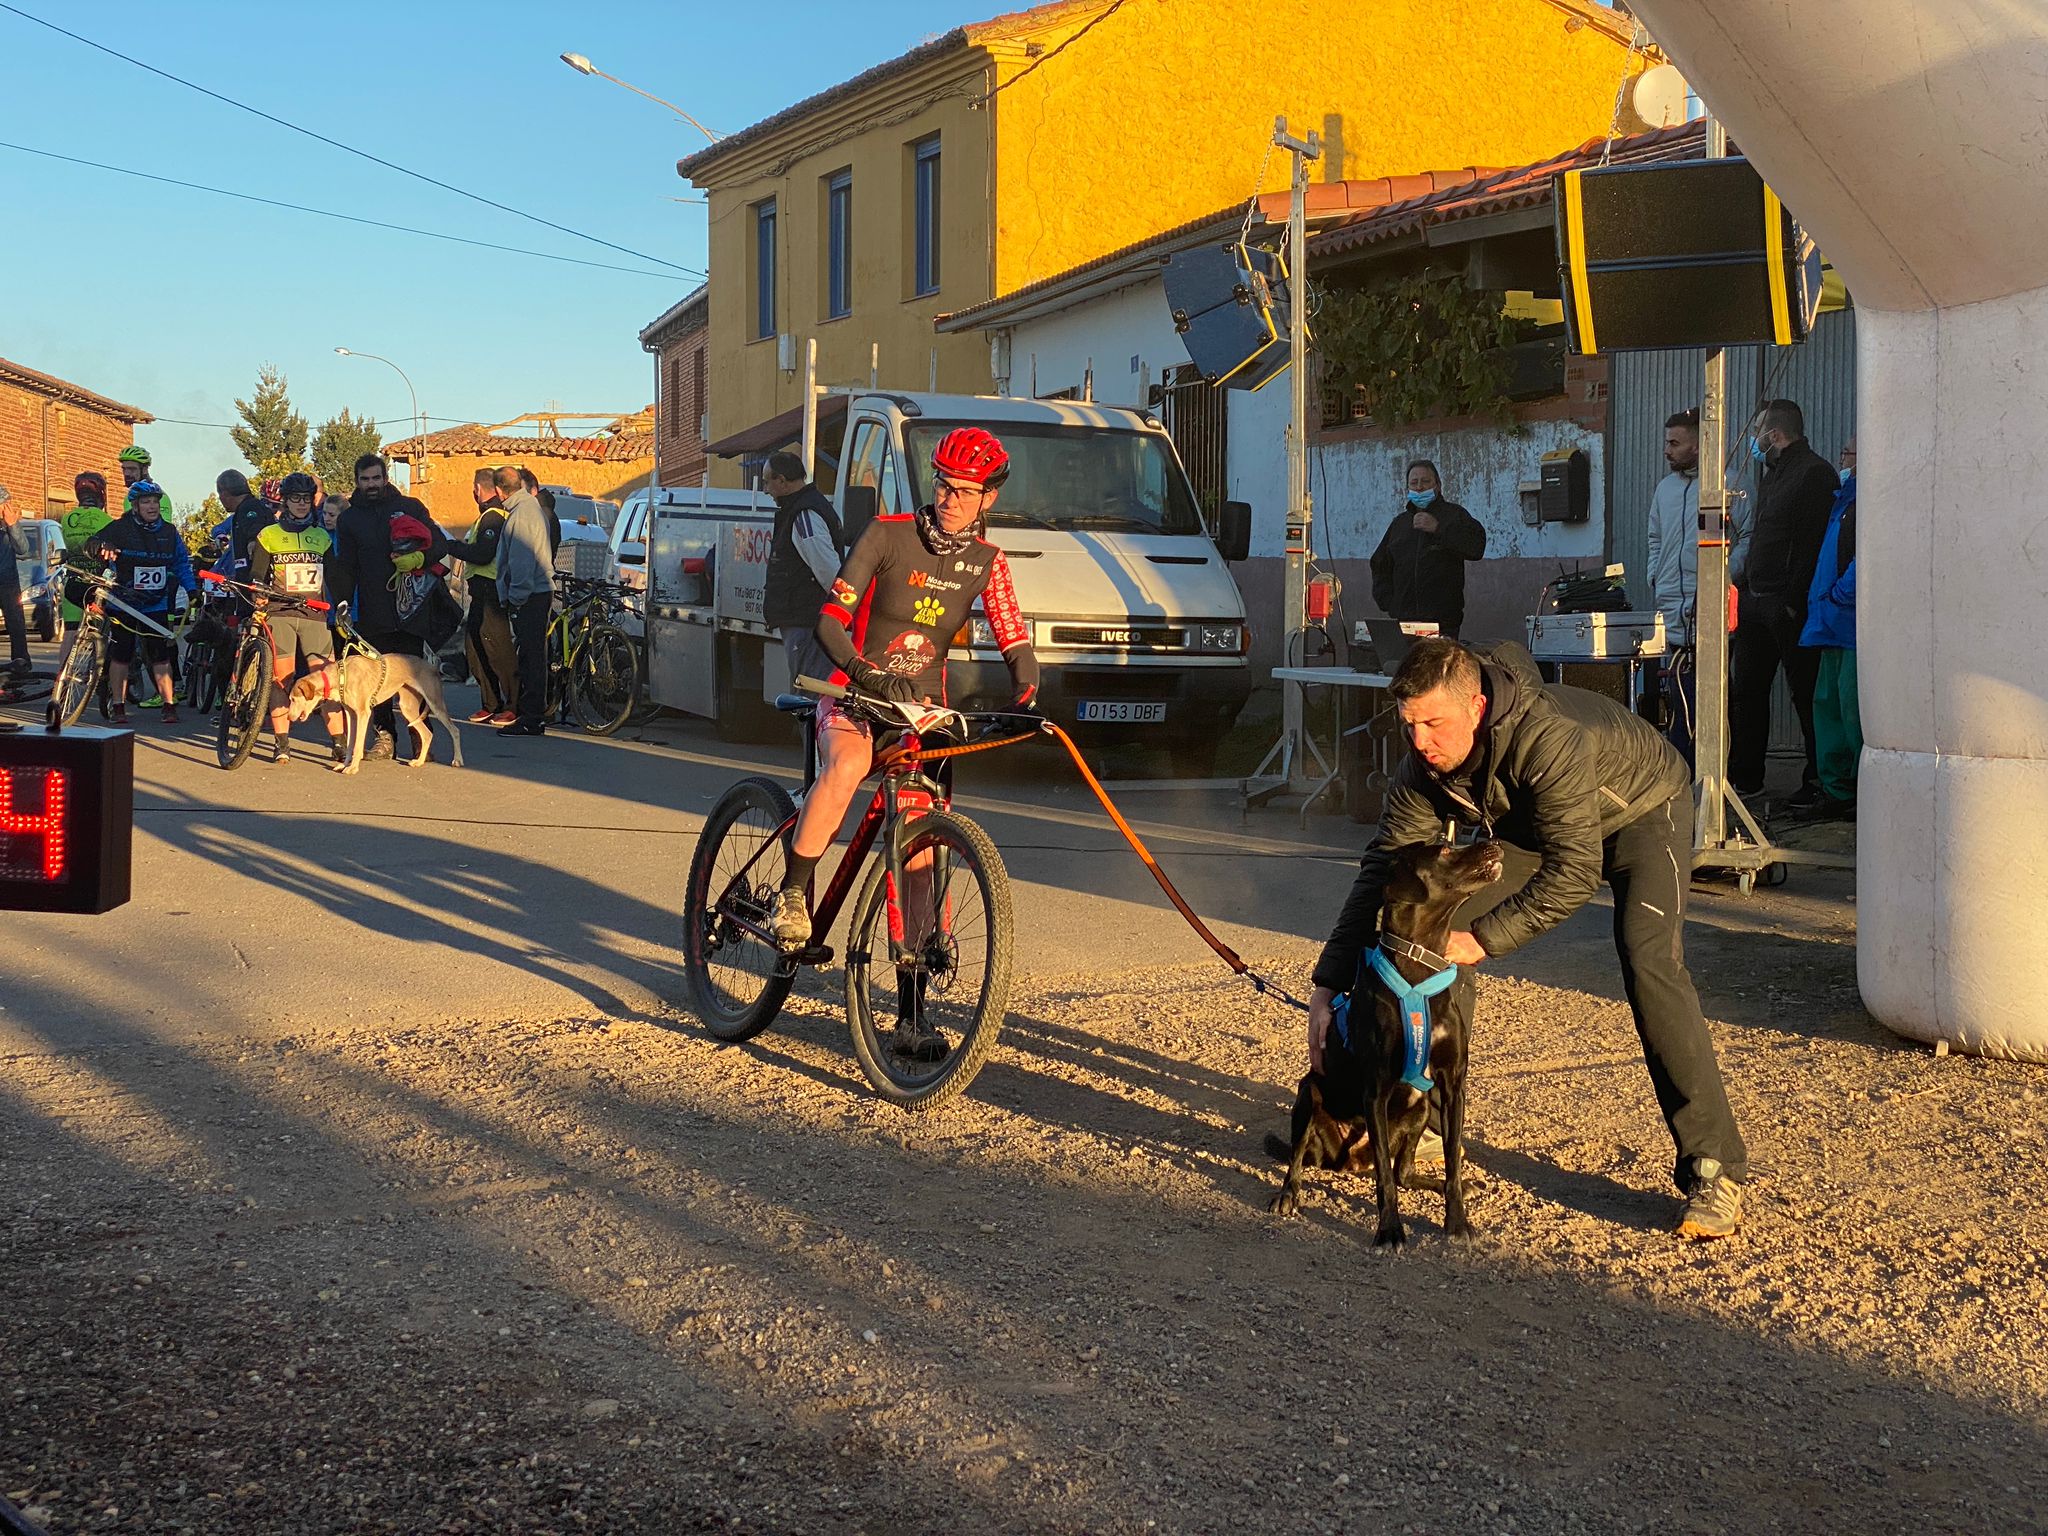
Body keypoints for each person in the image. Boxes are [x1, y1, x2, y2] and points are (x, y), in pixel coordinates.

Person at [1307, 637, 1749, 1240]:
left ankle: (1713, 1167)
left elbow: (1573, 872)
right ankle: (1426, 1119)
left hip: (1641, 808)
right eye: (1409, 725)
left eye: (1434, 724)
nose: (1419, 742)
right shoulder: (1422, 764)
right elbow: (1387, 872)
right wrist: (1329, 984)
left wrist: (1483, 938)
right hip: (1535, 823)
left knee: (1649, 961)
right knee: (1435, 943)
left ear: (1477, 707)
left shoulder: (1549, 738)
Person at [768, 427, 1040, 959]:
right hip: (853, 688)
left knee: (917, 854)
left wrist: (1026, 695)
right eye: (942, 485)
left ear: (989, 496)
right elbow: (829, 621)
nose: (949, 500)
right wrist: (867, 675)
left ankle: (912, 1015)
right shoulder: (886, 535)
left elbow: (1013, 636)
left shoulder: (988, 560)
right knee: (846, 767)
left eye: (964, 491)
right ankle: (793, 893)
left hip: (920, 708)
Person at [1728, 398, 1837, 810]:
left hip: (1788, 605)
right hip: (1757, 601)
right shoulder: (1773, 474)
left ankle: (1818, 779)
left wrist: (1793, 601)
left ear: (1774, 435)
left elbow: (1812, 545)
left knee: (1805, 693)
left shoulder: (1814, 473)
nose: (1755, 442)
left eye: (1758, 433)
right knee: (1747, 691)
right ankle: (1746, 777)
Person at [1643, 409, 1752, 764]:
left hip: (1712, 608)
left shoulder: (1730, 485)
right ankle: (1682, 769)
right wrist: (1654, 573)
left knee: (1715, 693)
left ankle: (1722, 770)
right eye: (1666, 442)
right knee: (1677, 695)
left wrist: (1721, 577)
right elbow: (1655, 537)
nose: (1667, 450)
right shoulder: (1665, 489)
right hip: (1673, 608)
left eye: (1675, 443)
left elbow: (1748, 538)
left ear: (1697, 445)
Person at [329, 453, 447, 761]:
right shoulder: (349, 519)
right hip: (372, 608)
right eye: (365, 479)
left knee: (415, 676)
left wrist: (422, 558)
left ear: (386, 478)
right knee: (375, 677)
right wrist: (342, 603)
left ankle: (420, 737)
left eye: (376, 478)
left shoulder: (410, 507)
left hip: (411, 606)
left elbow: (439, 543)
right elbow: (346, 566)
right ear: (357, 482)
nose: (371, 485)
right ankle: (385, 737)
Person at [247, 472, 347, 766]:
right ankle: (281, 743)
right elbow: (256, 573)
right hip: (280, 613)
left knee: (327, 681)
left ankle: (339, 744)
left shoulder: (321, 538)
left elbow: (335, 576)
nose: (301, 505)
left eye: (306, 499)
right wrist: (259, 591)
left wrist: (341, 605)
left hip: (315, 614)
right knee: (282, 679)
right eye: (295, 499)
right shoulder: (269, 535)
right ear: (285, 501)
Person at [90, 479, 194, 724]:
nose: (152, 506)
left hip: (155, 603)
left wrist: (192, 589)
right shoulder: (120, 527)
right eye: (146, 502)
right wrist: (102, 546)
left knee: (160, 655)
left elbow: (180, 563)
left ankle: (169, 705)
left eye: (155, 502)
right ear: (135, 506)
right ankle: (118, 706)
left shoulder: (169, 532)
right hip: (124, 602)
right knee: (121, 654)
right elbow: (92, 543)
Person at [1792, 437, 1858, 821]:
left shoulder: (1866, 499)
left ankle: (1860, 790)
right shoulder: (1843, 498)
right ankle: (1838, 791)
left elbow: (1864, 555)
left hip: (1847, 622)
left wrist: (1840, 595)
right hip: (1830, 621)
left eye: (1847, 454)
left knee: (1852, 712)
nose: (1841, 460)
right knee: (1828, 709)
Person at [1368, 460, 1487, 640]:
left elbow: (1476, 548)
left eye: (1425, 481)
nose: (1419, 487)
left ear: (1437, 485)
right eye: (1414, 483)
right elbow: (1379, 564)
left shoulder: (1454, 515)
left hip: (1443, 623)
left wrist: (1439, 529)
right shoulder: (1400, 523)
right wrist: (1390, 603)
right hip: (1404, 622)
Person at [761, 450, 845, 688]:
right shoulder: (805, 508)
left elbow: (828, 569)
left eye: (768, 481)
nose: (766, 489)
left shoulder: (804, 514)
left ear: (782, 481)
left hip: (807, 621)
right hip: (806, 619)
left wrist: (843, 609)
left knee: (809, 694)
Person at [445, 467, 518, 724]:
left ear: (477, 490)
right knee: (474, 649)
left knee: (498, 649)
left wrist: (452, 547)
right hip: (479, 592)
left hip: (491, 591)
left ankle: (513, 705)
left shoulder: (494, 517)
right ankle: (491, 703)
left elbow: (483, 554)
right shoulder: (485, 517)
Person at [494, 466, 555, 737]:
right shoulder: (527, 508)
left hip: (530, 596)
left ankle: (532, 718)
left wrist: (515, 599)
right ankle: (531, 715)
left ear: (498, 490)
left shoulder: (521, 515)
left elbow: (521, 563)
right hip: (535, 593)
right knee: (532, 657)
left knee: (531, 659)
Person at [55, 471, 115, 679]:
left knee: (70, 632)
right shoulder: (106, 520)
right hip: (97, 583)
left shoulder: (66, 518)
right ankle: (101, 676)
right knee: (104, 631)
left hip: (73, 579)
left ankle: (61, 678)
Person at [0, 486, 31, 678]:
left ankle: (21, 666)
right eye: (5, 504)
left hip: (8, 580)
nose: (7, 508)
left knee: (16, 624)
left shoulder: (7, 525)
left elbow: (23, 549)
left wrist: (12, 525)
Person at [116, 445, 155, 515]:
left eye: (132, 469)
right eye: (124, 469)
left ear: (144, 469)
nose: (126, 473)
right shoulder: (131, 496)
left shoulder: (157, 496)